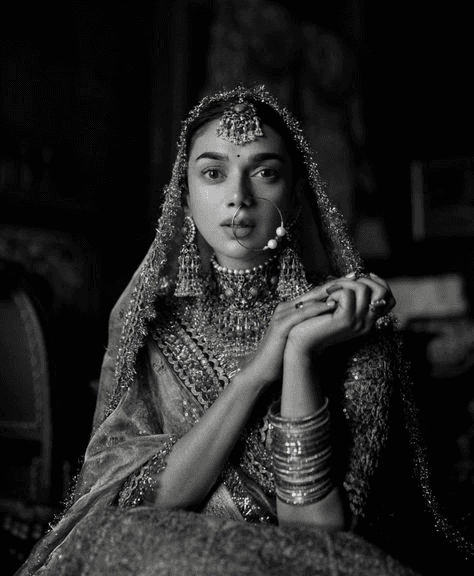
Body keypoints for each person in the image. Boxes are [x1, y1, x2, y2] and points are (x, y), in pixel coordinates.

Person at [15, 85, 473, 576]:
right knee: (116, 535)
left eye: (265, 173)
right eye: (213, 173)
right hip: (165, 558)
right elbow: (137, 500)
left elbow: (317, 539)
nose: (238, 197)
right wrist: (255, 376)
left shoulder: (348, 325)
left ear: (295, 198)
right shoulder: (155, 326)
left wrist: (298, 354)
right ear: (185, 199)